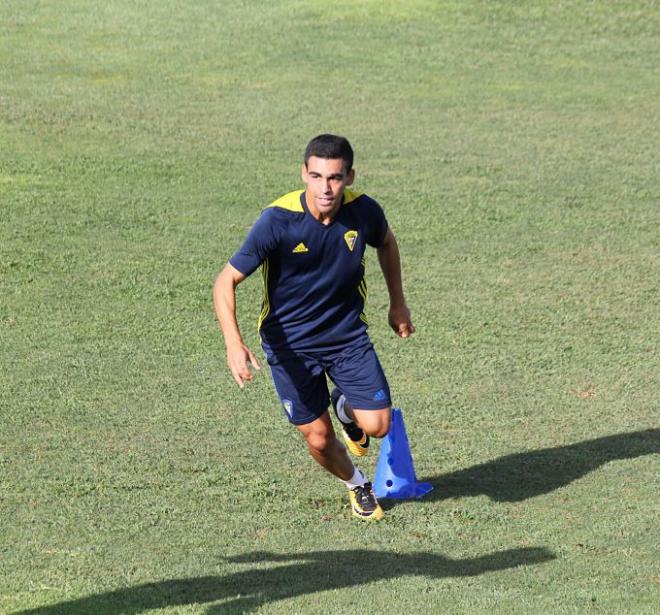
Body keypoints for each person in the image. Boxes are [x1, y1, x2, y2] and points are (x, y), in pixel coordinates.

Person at [213, 134, 415, 520]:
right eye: (317, 176)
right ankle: (357, 484)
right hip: (290, 345)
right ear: (304, 173)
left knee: (378, 424)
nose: (326, 187)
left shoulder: (364, 212)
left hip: (345, 337)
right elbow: (225, 281)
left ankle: (344, 406)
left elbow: (386, 243)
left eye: (336, 177)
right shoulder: (278, 221)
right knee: (319, 438)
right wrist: (233, 344)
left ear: (350, 177)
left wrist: (398, 302)